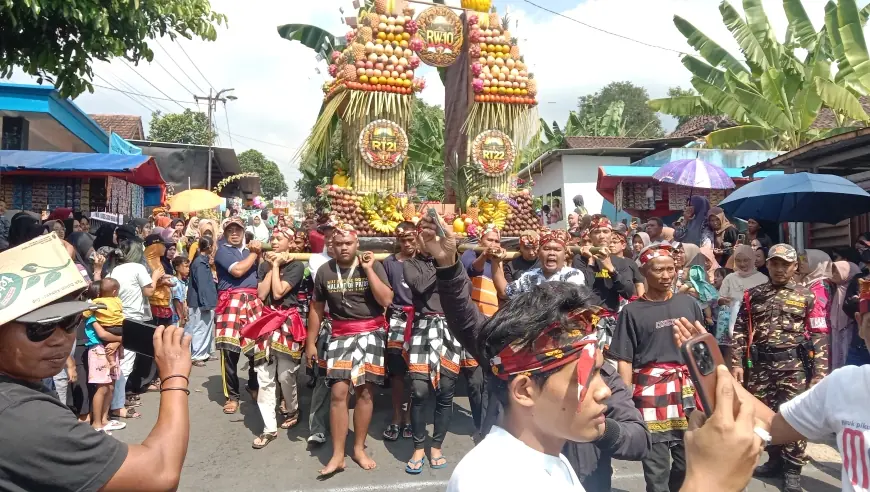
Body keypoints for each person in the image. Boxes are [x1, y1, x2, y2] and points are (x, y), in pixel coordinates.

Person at [418, 214, 650, 492]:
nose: (603, 391)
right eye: (586, 376)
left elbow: (638, 439)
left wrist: (593, 426)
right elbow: (468, 322)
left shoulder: (595, 364)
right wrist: (448, 264)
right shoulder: (517, 358)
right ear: (523, 389)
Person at [0, 241, 194, 491]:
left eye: (71, 321)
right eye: (41, 327)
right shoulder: (22, 415)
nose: (61, 338)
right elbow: (159, 473)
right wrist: (175, 377)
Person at [608, 242, 704, 492]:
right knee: (656, 466)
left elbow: (700, 348)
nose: (666, 275)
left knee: (688, 461)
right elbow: (624, 359)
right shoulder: (631, 312)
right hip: (650, 393)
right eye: (659, 270)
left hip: (687, 392)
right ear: (644, 272)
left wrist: (707, 387)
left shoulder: (689, 304)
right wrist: (625, 399)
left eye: (671, 269)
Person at [731, 244, 822, 492]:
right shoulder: (753, 295)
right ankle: (773, 461)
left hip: (793, 368)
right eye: (775, 263)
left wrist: (820, 373)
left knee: (794, 418)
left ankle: (792, 469)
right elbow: (739, 331)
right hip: (760, 367)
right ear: (767, 265)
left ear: (795, 267)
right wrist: (737, 363)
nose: (780, 269)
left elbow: (819, 334)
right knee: (763, 417)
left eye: (786, 264)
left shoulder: (808, 296)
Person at [307, 223, 393, 475]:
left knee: (365, 394)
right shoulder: (324, 271)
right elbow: (316, 308)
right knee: (338, 393)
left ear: (357, 245)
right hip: (340, 334)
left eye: (348, 243)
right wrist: (310, 342)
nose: (343, 247)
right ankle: (337, 455)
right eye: (338, 243)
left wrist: (368, 270)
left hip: (371, 333)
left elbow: (386, 300)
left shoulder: (373, 266)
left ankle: (358, 448)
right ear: (331, 246)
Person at [402, 233, 469, 474]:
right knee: (419, 392)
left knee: (445, 392)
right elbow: (419, 286)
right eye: (425, 238)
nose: (430, 242)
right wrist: (442, 261)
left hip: (449, 328)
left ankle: (437, 446)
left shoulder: (454, 262)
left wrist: (449, 260)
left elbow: (465, 288)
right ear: (418, 241)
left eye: (435, 238)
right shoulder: (410, 264)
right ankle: (419, 446)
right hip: (422, 327)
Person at [242, 226, 306, 449]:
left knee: (286, 375)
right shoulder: (264, 265)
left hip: (287, 322)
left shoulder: (297, 265)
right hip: (266, 322)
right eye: (273, 238)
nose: (275, 241)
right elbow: (261, 294)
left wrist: (277, 266)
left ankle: (292, 408)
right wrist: (270, 267)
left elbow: (278, 293)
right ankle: (269, 428)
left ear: (289, 242)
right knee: (264, 377)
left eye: (279, 238)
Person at [213, 216, 263, 414]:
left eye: (238, 230)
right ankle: (232, 396)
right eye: (230, 230)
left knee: (256, 350)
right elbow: (238, 271)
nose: (234, 233)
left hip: (252, 301)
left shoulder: (251, 251)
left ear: (243, 231)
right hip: (231, 302)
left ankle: (253, 385)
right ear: (225, 233)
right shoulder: (223, 251)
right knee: (229, 351)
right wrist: (254, 253)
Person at [106, 240, 162, 398]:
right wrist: (156, 277)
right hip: (132, 319)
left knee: (117, 360)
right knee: (126, 363)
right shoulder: (138, 268)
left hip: (116, 316)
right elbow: (149, 291)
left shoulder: (114, 269)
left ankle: (116, 400)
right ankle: (118, 402)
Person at [572, 216, 635, 350]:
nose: (601, 236)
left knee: (611, 366)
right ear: (590, 235)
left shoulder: (621, 262)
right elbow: (583, 289)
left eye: (605, 232)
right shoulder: (580, 259)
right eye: (597, 232)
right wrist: (590, 261)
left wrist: (611, 269)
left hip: (610, 321)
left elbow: (628, 292)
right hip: (586, 321)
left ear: (611, 234)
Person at [381, 223, 416, 442]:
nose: (408, 244)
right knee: (396, 371)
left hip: (420, 319)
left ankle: (410, 416)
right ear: (398, 240)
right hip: (397, 319)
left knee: (416, 371)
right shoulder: (389, 263)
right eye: (404, 240)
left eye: (411, 239)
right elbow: (385, 295)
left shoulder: (425, 260)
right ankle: (396, 416)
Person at [83, 279, 125, 433]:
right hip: (98, 352)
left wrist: (117, 343)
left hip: (111, 351)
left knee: (111, 386)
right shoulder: (93, 316)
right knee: (102, 387)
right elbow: (104, 335)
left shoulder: (111, 309)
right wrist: (119, 340)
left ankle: (105, 419)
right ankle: (97, 423)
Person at [493, 229, 585, 300]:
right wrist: (495, 261)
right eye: (546, 249)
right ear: (539, 253)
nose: (551, 253)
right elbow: (504, 293)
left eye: (557, 250)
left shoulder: (573, 275)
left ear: (565, 254)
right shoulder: (529, 277)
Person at [717, 245, 769, 361]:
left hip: (755, 324)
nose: (742, 264)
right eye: (738, 260)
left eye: (746, 260)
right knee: (734, 358)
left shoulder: (763, 279)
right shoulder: (730, 278)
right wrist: (723, 301)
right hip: (733, 326)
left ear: (752, 259)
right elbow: (720, 299)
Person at [186, 236, 217, 367]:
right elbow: (202, 285)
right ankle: (197, 355)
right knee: (200, 328)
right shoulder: (200, 263)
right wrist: (206, 303)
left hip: (202, 300)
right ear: (209, 247)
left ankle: (204, 352)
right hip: (200, 302)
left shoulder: (202, 262)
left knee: (204, 327)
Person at [461, 223, 502, 317]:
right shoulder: (470, 253)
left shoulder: (498, 261)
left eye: (497, 241)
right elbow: (473, 270)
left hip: (491, 319)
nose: (493, 244)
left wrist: (499, 262)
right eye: (490, 240)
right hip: (472, 317)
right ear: (480, 241)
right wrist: (484, 255)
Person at [830, 260, 861, 370]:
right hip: (836, 330)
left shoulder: (854, 290)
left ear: (847, 274)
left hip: (850, 329)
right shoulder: (834, 289)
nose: (833, 275)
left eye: (837, 272)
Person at [143, 235, 175, 327]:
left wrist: (165, 278)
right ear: (155, 246)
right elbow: (146, 284)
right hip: (153, 304)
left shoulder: (157, 261)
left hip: (164, 302)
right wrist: (162, 282)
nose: (164, 248)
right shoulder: (146, 262)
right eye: (162, 245)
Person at [611, 228, 645, 298]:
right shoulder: (603, 261)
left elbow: (639, 284)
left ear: (623, 245)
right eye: (609, 242)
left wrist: (643, 303)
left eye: (614, 242)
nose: (611, 245)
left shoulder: (631, 263)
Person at [170, 256, 190, 328]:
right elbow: (177, 301)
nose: (188, 269)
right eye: (186, 266)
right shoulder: (175, 282)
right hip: (175, 317)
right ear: (177, 268)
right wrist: (181, 317)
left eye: (188, 267)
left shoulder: (183, 282)